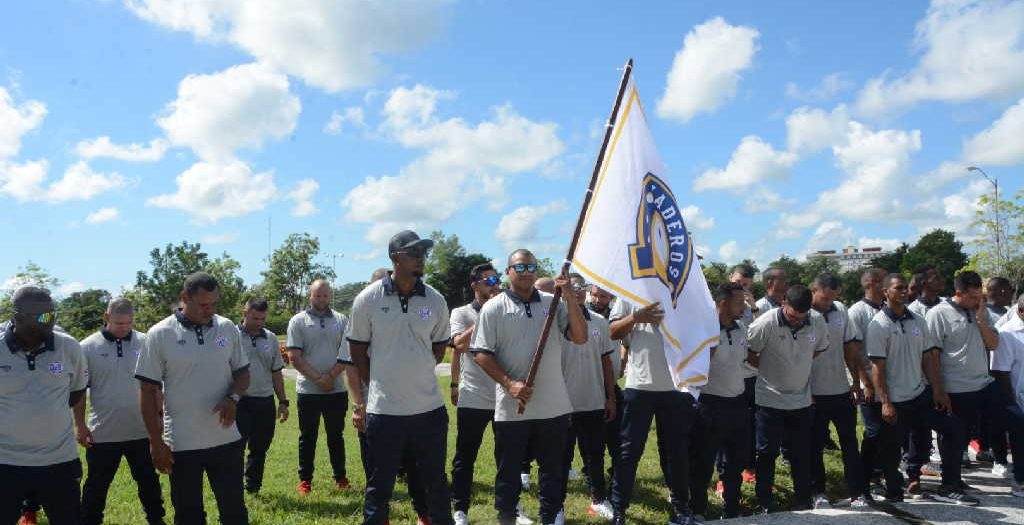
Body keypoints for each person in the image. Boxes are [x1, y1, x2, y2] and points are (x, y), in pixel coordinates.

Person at [471, 249, 587, 525]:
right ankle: (508, 516)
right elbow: (481, 353)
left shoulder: (554, 302)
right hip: (513, 409)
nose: (526, 272)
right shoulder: (494, 307)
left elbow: (580, 337)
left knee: (552, 471)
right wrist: (510, 384)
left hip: (553, 406)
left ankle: (551, 516)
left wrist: (570, 296)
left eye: (531, 266)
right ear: (508, 271)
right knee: (508, 471)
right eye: (519, 267)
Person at [348, 230, 454, 525]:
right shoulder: (367, 299)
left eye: (423, 253)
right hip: (384, 412)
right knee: (380, 485)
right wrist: (378, 384)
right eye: (414, 253)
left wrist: (414, 371)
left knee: (435, 481)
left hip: (429, 410)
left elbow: (438, 347)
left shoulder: (435, 300)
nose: (421, 258)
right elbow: (357, 350)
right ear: (395, 258)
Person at [135, 272, 251, 524]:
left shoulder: (227, 327)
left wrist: (233, 398)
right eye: (203, 305)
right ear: (184, 298)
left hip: (225, 438)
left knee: (234, 511)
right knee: (188, 514)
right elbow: (146, 390)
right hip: (182, 444)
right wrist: (156, 443)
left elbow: (242, 371)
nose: (209, 310)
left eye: (214, 304)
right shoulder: (160, 334)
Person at [866, 273, 975, 505]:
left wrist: (938, 390)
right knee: (891, 448)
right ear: (886, 292)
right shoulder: (878, 325)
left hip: (919, 394)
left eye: (906, 287)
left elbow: (928, 359)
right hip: (896, 399)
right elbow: (877, 367)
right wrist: (885, 401)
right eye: (898, 288)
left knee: (953, 428)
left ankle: (950, 483)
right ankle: (894, 489)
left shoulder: (917, 320)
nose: (905, 291)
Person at [608, 288, 696, 525]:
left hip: (676, 386)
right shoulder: (628, 290)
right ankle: (619, 509)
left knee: (676, 451)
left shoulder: (683, 290)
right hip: (640, 385)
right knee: (629, 451)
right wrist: (636, 317)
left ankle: (680, 507)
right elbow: (613, 332)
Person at [0, 286, 88, 525]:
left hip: (59, 462)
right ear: (18, 317)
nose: (51, 321)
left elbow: (77, 391)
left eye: (53, 314)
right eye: (43, 317)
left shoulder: (68, 347)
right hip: (6, 463)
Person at [75, 298, 165, 525]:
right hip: (104, 432)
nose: (124, 328)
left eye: (128, 323)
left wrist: (160, 417)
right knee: (96, 484)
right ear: (106, 318)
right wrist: (80, 425)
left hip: (141, 431)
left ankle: (156, 519)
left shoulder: (146, 342)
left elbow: (156, 387)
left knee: (148, 480)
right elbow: (78, 391)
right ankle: (90, 521)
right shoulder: (87, 347)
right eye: (119, 323)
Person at [746, 285, 828, 513]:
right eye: (792, 317)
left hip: (801, 400)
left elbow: (819, 349)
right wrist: (770, 368)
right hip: (769, 399)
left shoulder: (817, 322)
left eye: (801, 318)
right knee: (767, 452)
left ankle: (802, 498)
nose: (796, 322)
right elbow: (750, 352)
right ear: (783, 303)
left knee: (801, 452)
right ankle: (764, 501)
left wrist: (798, 363)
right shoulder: (765, 323)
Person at [925, 270, 1002, 504]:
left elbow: (994, 344)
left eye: (981, 296)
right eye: (973, 297)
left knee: (1005, 421)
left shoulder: (981, 312)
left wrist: (980, 318)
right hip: (955, 388)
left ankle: (956, 479)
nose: (978, 301)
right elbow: (931, 356)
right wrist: (938, 389)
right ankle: (949, 484)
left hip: (982, 385)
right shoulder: (938, 314)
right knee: (953, 436)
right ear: (958, 293)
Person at [689, 282, 750, 520]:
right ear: (723, 303)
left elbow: (742, 360)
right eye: (739, 303)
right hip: (710, 403)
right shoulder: (704, 329)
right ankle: (698, 510)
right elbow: (695, 364)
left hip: (737, 402)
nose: (743, 307)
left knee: (735, 462)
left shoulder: (741, 328)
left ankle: (732, 509)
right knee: (703, 462)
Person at [559, 274, 617, 519]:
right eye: (571, 287)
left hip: (593, 398)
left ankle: (598, 499)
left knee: (595, 453)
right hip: (562, 401)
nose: (577, 291)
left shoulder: (600, 322)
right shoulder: (554, 320)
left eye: (580, 286)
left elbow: (606, 361)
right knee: (560, 457)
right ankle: (556, 505)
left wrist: (610, 396)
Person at [286, 279, 351, 494]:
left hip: (337, 389)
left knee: (336, 436)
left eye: (325, 295)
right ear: (310, 296)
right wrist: (319, 379)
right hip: (308, 391)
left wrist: (331, 377)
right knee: (308, 437)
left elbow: (347, 352)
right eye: (317, 295)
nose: (321, 299)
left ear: (329, 296)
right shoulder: (297, 321)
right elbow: (294, 356)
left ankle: (341, 477)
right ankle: (305, 480)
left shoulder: (342, 319)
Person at [449, 263, 502, 525]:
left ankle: (509, 507)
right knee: (466, 455)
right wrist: (485, 313)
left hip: (505, 395)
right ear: (475, 285)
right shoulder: (461, 313)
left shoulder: (507, 309)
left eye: (497, 279)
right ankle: (460, 509)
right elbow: (459, 345)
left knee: (507, 455)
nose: (494, 284)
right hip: (473, 395)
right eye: (488, 280)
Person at [808, 274, 866, 508]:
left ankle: (857, 493)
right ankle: (817, 492)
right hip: (813, 392)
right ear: (814, 290)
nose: (828, 303)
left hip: (841, 389)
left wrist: (856, 381)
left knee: (850, 444)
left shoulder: (840, 309)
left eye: (833, 298)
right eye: (825, 299)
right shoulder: (804, 314)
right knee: (814, 447)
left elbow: (850, 346)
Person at [236, 298, 289, 494]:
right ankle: (233, 487)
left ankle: (252, 487)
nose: (258, 322)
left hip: (264, 401)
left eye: (262, 318)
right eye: (254, 317)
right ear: (245, 313)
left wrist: (283, 401)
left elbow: (276, 372)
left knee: (260, 448)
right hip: (239, 401)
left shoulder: (271, 338)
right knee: (235, 448)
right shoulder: (230, 335)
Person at [847, 268, 886, 487]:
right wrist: (865, 382)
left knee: (889, 430)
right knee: (874, 430)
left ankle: (882, 471)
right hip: (868, 382)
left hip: (888, 381)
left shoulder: (888, 309)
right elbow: (854, 351)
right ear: (871, 283)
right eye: (883, 281)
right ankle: (867, 474)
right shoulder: (858, 312)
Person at [585, 285, 623, 489]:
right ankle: (590, 476)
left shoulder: (617, 316)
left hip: (612, 384)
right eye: (595, 295)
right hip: (589, 385)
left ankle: (617, 478)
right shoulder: (582, 316)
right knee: (591, 442)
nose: (598, 300)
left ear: (612, 297)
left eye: (604, 296)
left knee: (617, 439)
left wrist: (623, 362)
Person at [729, 264, 759, 482]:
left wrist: (754, 307)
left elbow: (760, 335)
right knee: (730, 425)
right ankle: (726, 472)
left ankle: (749, 468)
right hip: (729, 375)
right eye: (739, 283)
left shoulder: (750, 309)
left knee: (751, 424)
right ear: (731, 278)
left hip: (750, 374)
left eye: (746, 285)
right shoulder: (720, 305)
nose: (742, 287)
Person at [992, 294, 1024, 496]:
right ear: (1021, 311)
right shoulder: (1006, 334)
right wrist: (1012, 404)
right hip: (1016, 397)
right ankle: (1020, 481)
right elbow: (1000, 371)